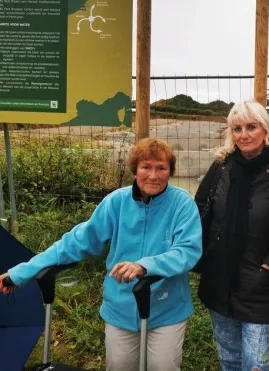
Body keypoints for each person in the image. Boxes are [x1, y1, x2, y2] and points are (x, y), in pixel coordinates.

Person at [0, 138, 202, 371]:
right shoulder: (116, 202)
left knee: (162, 367)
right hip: (121, 308)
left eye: (161, 168)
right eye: (146, 167)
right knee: (119, 366)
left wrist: (145, 266)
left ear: (170, 171)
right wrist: (22, 272)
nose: (153, 175)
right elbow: (74, 243)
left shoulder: (182, 205)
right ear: (135, 169)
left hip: (166, 309)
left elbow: (187, 251)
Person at [195, 99, 269, 371]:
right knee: (229, 358)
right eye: (237, 128)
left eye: (251, 127)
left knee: (255, 364)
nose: (244, 135)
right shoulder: (221, 167)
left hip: (260, 282)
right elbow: (200, 209)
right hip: (220, 277)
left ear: (265, 129)